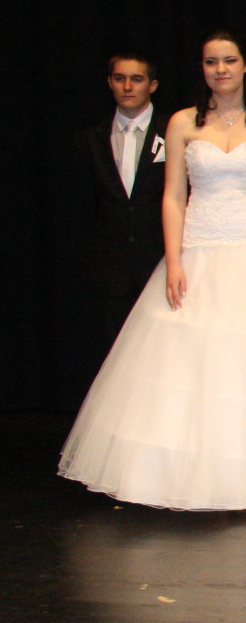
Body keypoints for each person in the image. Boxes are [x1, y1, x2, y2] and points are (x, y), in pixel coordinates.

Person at [60, 32, 246, 510]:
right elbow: (173, 196)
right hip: (197, 252)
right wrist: (175, 259)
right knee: (183, 364)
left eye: (229, 61)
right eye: (211, 62)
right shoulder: (182, 122)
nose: (220, 70)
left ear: (245, 65)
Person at [64, 51, 167, 398]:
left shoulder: (174, 131)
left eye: (136, 79)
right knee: (115, 362)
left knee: (162, 356)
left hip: (161, 264)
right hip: (111, 270)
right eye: (120, 78)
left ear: (152, 85)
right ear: (109, 83)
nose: (127, 86)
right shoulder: (90, 139)